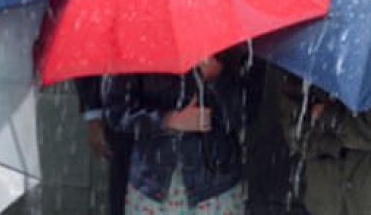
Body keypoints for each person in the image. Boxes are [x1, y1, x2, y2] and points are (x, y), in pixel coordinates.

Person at [103, 47, 262, 214]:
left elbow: (247, 113)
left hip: (216, 184)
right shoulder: (138, 44)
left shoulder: (233, 44)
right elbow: (116, 112)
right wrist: (168, 120)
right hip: (151, 183)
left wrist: (216, 78)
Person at [275, 67, 371, 215]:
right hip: (327, 202)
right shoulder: (311, 61)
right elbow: (295, 130)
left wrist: (329, 117)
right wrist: (336, 142)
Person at [75, 77, 134, 215]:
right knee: (122, 193)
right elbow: (88, 70)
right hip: (123, 118)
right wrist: (94, 118)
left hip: (172, 116)